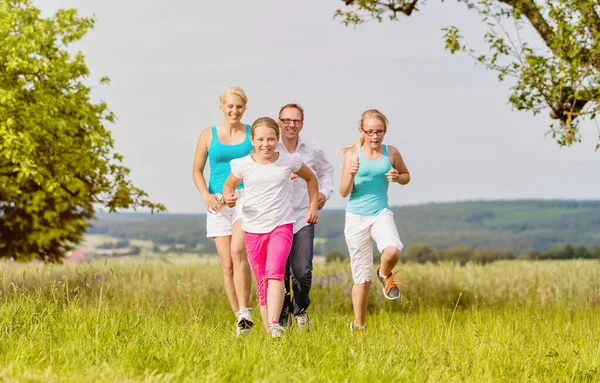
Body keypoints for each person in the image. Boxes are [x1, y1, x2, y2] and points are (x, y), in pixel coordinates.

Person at [222, 117, 320, 338]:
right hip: (254, 229)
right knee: (263, 282)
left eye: (271, 139)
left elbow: (311, 179)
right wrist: (229, 196)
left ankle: (275, 323)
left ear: (278, 139)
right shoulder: (243, 165)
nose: (265, 144)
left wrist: (312, 206)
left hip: (281, 225)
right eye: (260, 139)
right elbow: (229, 185)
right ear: (252, 140)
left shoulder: (289, 161)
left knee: (275, 272)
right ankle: (270, 334)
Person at [338, 109, 410, 334]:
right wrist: (350, 174)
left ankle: (384, 273)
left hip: (381, 212)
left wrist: (398, 178)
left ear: (385, 131)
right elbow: (343, 192)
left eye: (379, 131)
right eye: (370, 132)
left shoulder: (392, 152)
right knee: (362, 278)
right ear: (362, 131)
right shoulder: (353, 154)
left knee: (393, 250)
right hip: (356, 217)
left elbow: (407, 176)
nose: (375, 136)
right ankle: (359, 326)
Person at [192, 86, 254, 336]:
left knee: (239, 253)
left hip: (243, 198)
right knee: (227, 264)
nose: (234, 111)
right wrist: (206, 196)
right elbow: (196, 171)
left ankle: (246, 308)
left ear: (244, 108)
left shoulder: (252, 134)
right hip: (216, 202)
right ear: (222, 107)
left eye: (239, 107)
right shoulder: (208, 134)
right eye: (230, 106)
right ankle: (239, 318)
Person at [276, 104, 334, 330]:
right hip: (276, 217)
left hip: (303, 215)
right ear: (278, 121)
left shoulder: (312, 149)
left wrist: (323, 194)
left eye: (296, 121)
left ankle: (300, 310)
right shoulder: (270, 146)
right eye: (287, 120)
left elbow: (326, 172)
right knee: (279, 272)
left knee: (302, 271)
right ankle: (281, 318)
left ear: (302, 123)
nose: (291, 124)